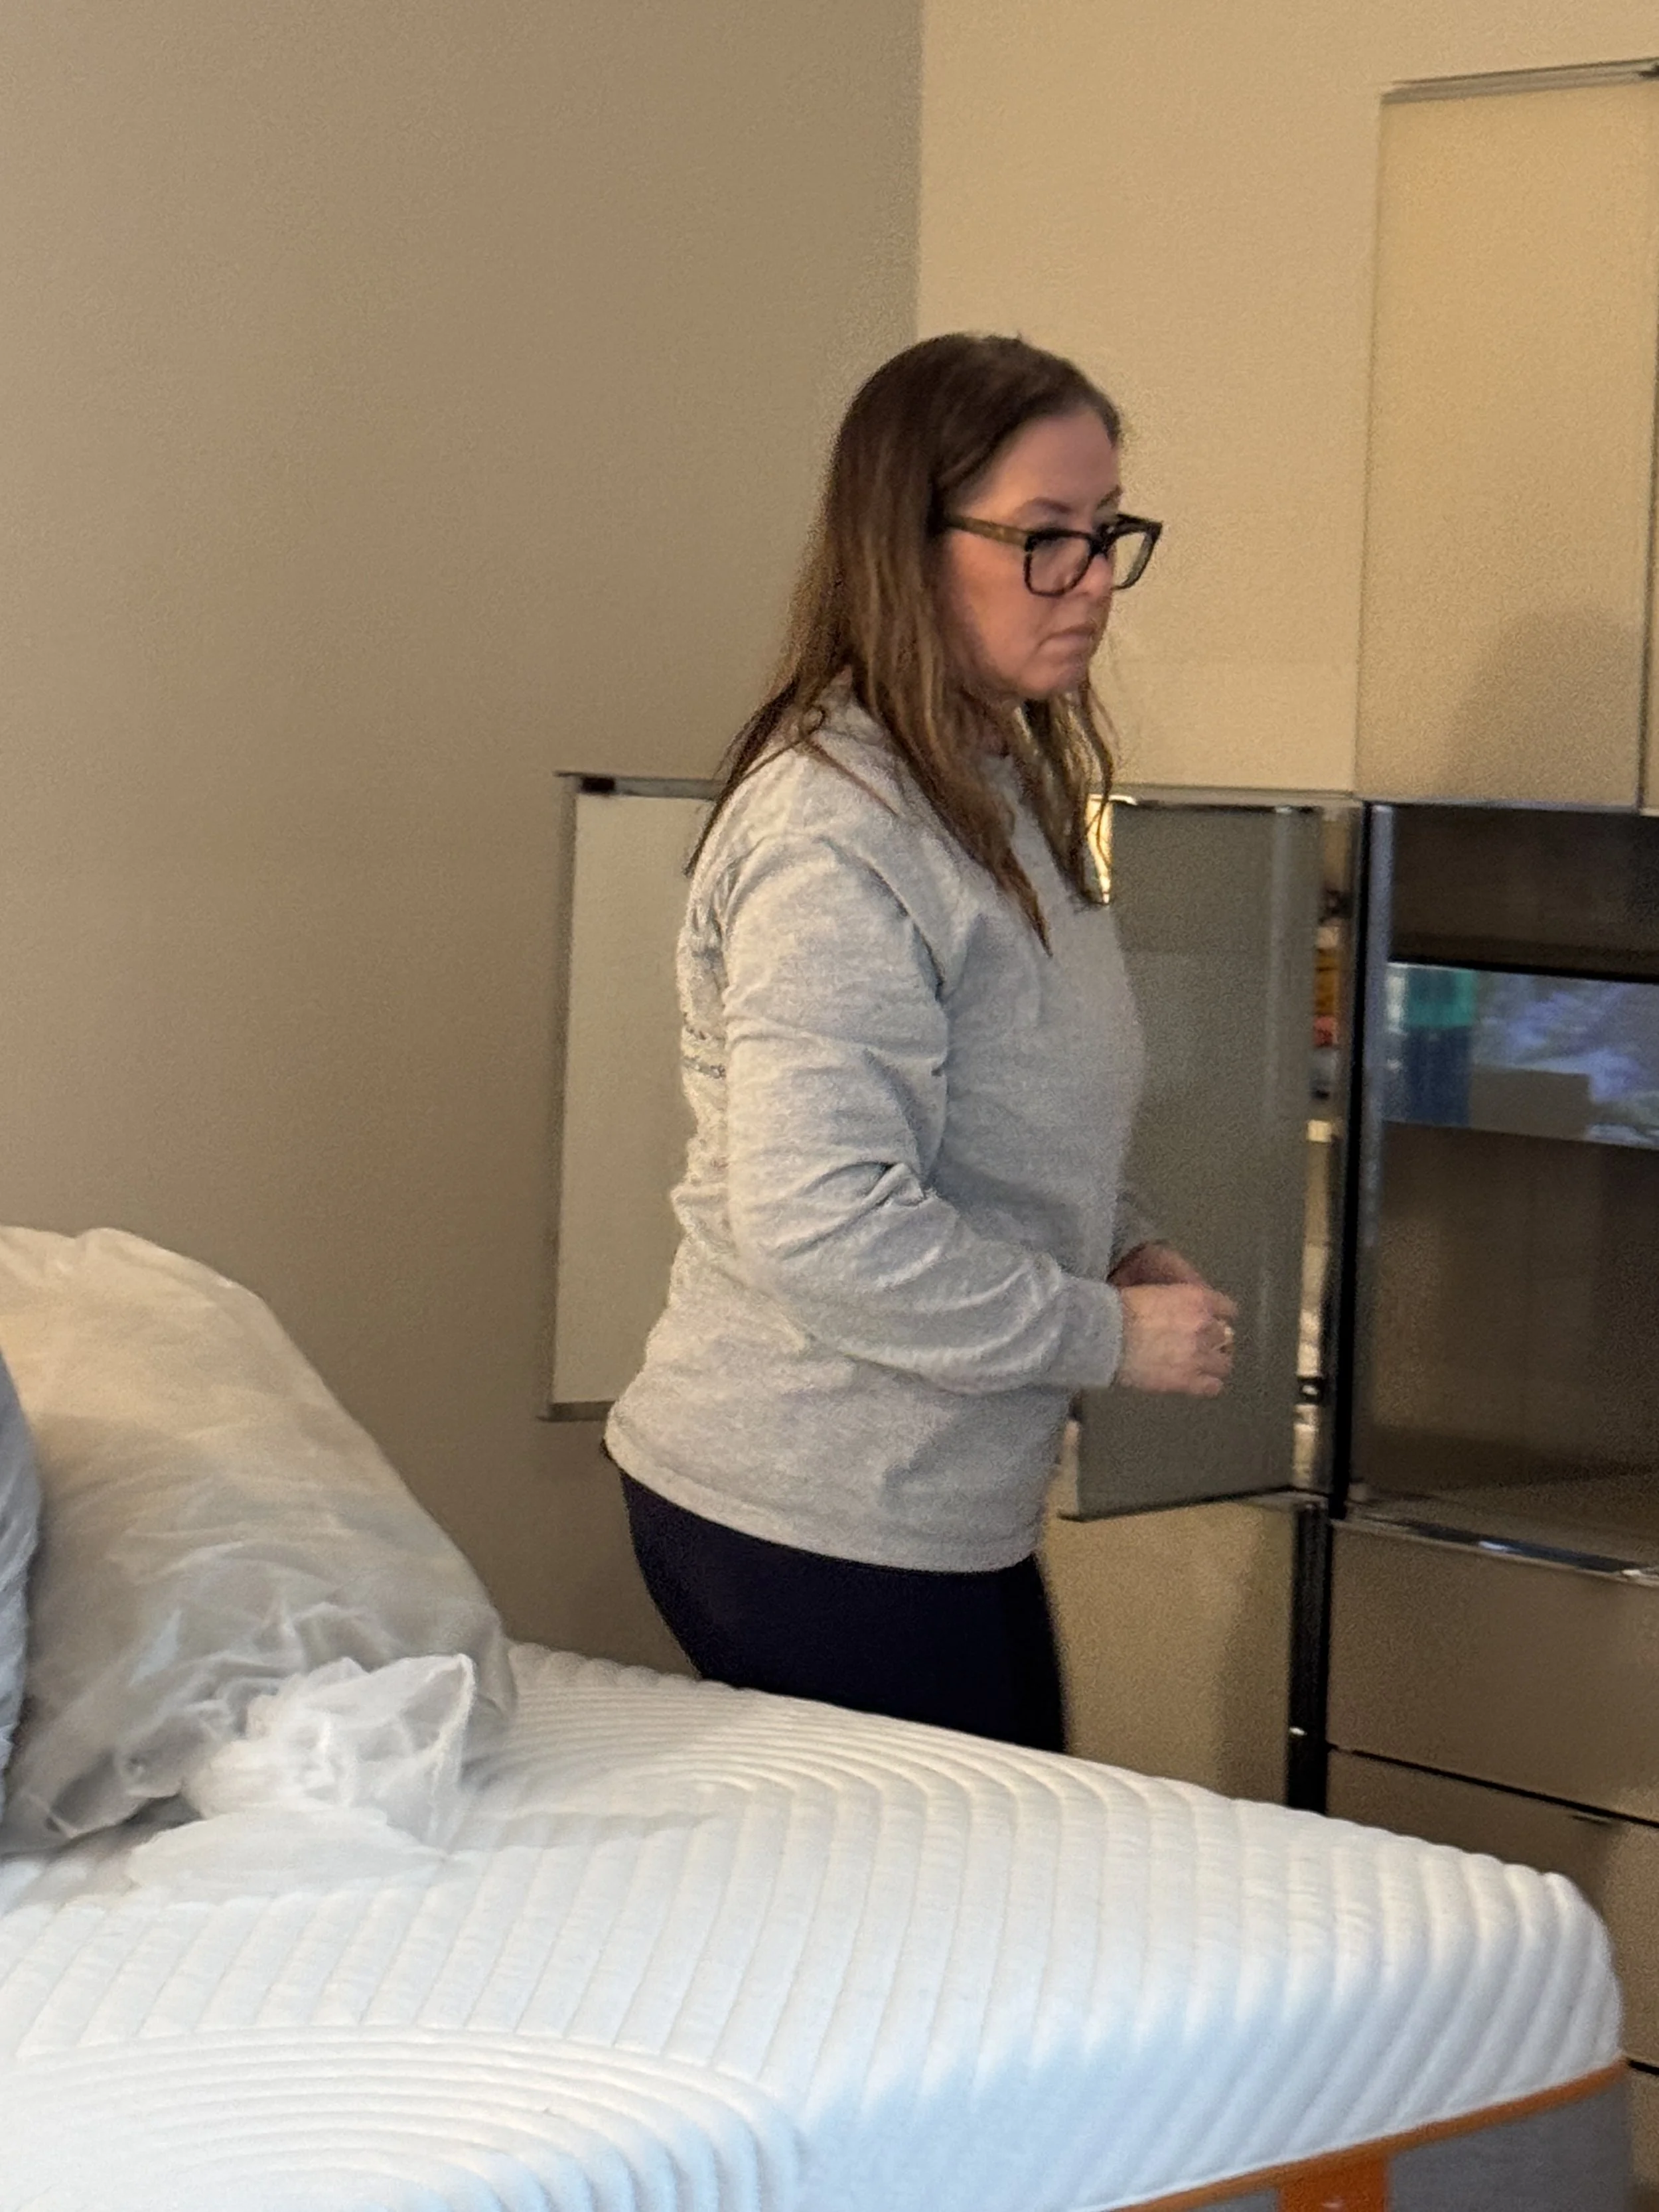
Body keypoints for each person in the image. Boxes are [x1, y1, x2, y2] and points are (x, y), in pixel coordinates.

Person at [606, 332, 1237, 1752]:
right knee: (955, 1940)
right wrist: (1103, 1330)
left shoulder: (994, 782)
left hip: (936, 1494)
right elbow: (820, 1226)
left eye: (1102, 534)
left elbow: (1012, 1106)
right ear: (907, 544)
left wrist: (1118, 1240)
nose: (1085, 582)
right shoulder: (836, 832)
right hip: (809, 1494)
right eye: (1039, 540)